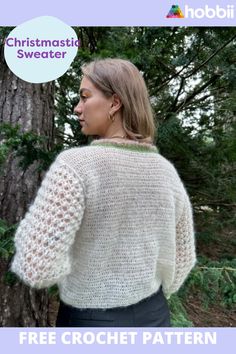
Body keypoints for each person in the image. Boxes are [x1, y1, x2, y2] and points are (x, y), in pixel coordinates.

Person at [11, 58, 196, 327]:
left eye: (85, 97)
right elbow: (183, 259)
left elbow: (36, 265)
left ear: (115, 103)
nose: (77, 108)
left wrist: (78, 278)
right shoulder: (166, 172)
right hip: (154, 316)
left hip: (91, 320)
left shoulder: (76, 166)